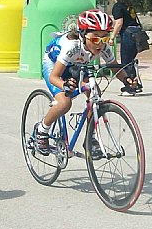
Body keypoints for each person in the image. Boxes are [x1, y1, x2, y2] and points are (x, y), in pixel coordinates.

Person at [35, 9, 135, 156]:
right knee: (64, 102)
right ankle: (41, 131)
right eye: (95, 39)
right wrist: (64, 85)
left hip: (78, 65)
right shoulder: (72, 46)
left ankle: (90, 139)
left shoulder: (103, 46)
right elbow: (54, 77)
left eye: (105, 38)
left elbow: (114, 66)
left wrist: (126, 79)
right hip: (55, 64)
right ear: (83, 35)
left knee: (95, 94)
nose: (100, 43)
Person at [110, 0, 143, 94]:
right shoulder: (129, 5)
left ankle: (130, 87)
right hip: (137, 33)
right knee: (130, 61)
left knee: (126, 62)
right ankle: (136, 84)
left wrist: (112, 37)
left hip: (128, 34)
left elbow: (119, 23)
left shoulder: (117, 6)